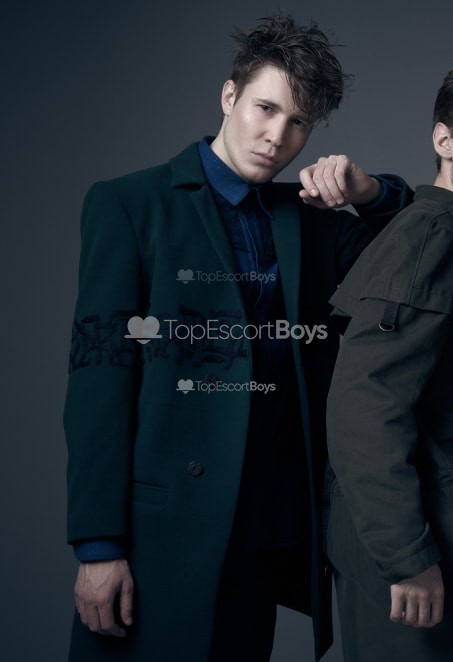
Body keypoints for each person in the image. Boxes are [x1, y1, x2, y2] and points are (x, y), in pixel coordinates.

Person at [64, 14, 412, 662]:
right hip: (159, 530)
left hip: (262, 528)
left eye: (298, 122)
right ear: (229, 96)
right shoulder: (132, 205)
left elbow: (415, 253)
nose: (277, 136)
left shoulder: (311, 221)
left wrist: (370, 192)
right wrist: (97, 545)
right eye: (265, 108)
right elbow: (98, 377)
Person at [325, 70, 453, 662]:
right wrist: (407, 557)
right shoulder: (431, 238)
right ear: (445, 140)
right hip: (416, 556)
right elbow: (364, 404)